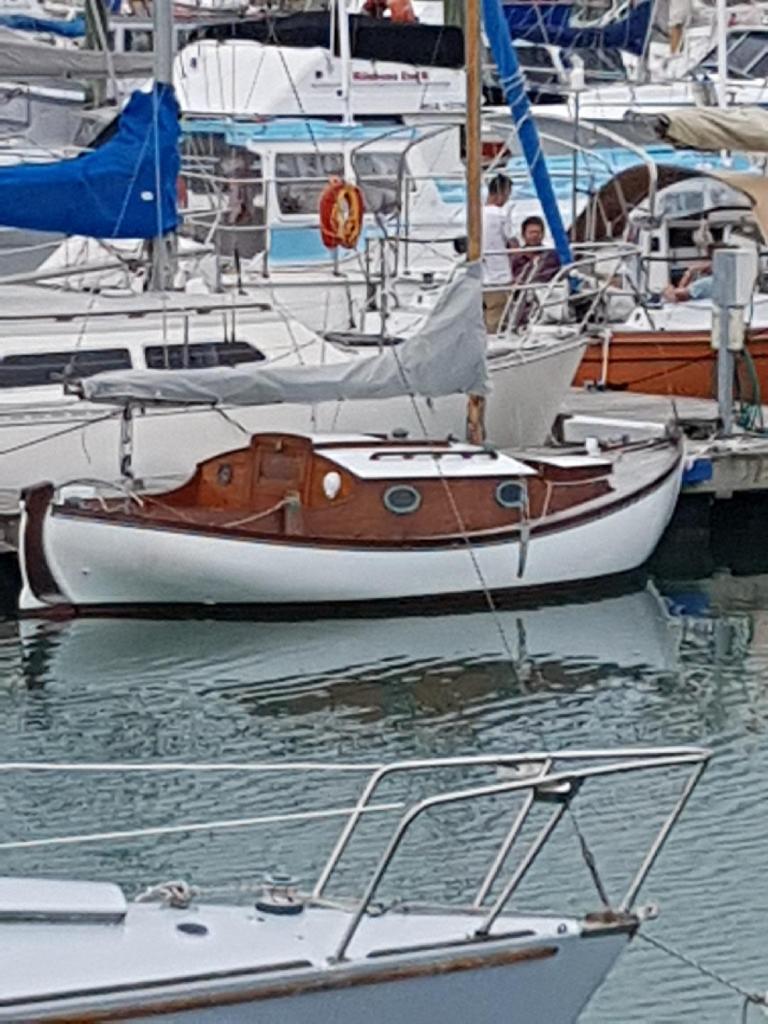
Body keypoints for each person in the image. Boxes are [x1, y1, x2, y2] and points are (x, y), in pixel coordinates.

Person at [482, 173, 516, 333]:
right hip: (499, 275)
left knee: (484, 313)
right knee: (497, 315)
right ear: (502, 193)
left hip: (481, 274)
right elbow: (512, 241)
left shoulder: (475, 213)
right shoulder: (501, 215)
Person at [510, 215, 561, 285]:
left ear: (543, 234)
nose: (534, 235)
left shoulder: (552, 256)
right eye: (531, 232)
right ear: (523, 235)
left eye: (537, 232)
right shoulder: (516, 258)